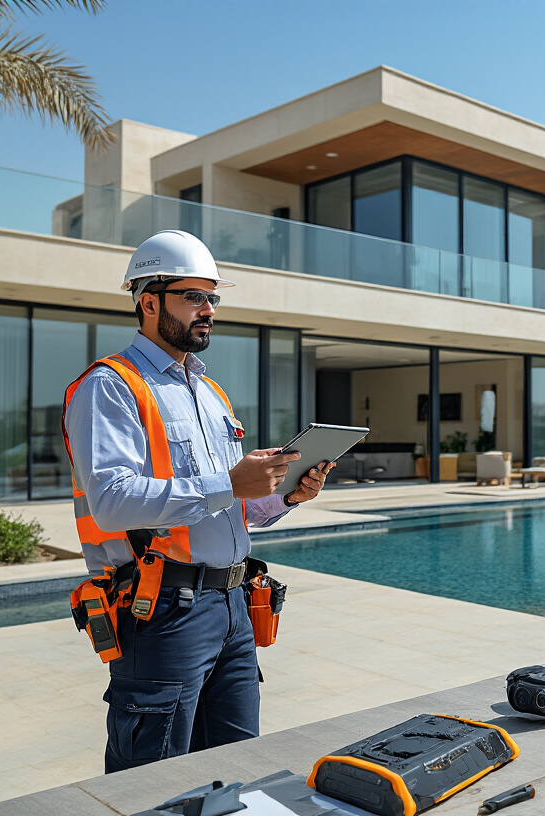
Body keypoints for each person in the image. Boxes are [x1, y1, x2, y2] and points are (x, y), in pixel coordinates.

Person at [63, 229, 334, 773]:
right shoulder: (110, 386)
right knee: (154, 784)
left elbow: (230, 507)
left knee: (236, 770)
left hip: (233, 606)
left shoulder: (210, 393)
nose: (207, 309)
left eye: (213, 298)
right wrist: (231, 483)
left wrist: (284, 494)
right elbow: (112, 502)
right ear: (148, 301)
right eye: (194, 296)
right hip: (163, 612)